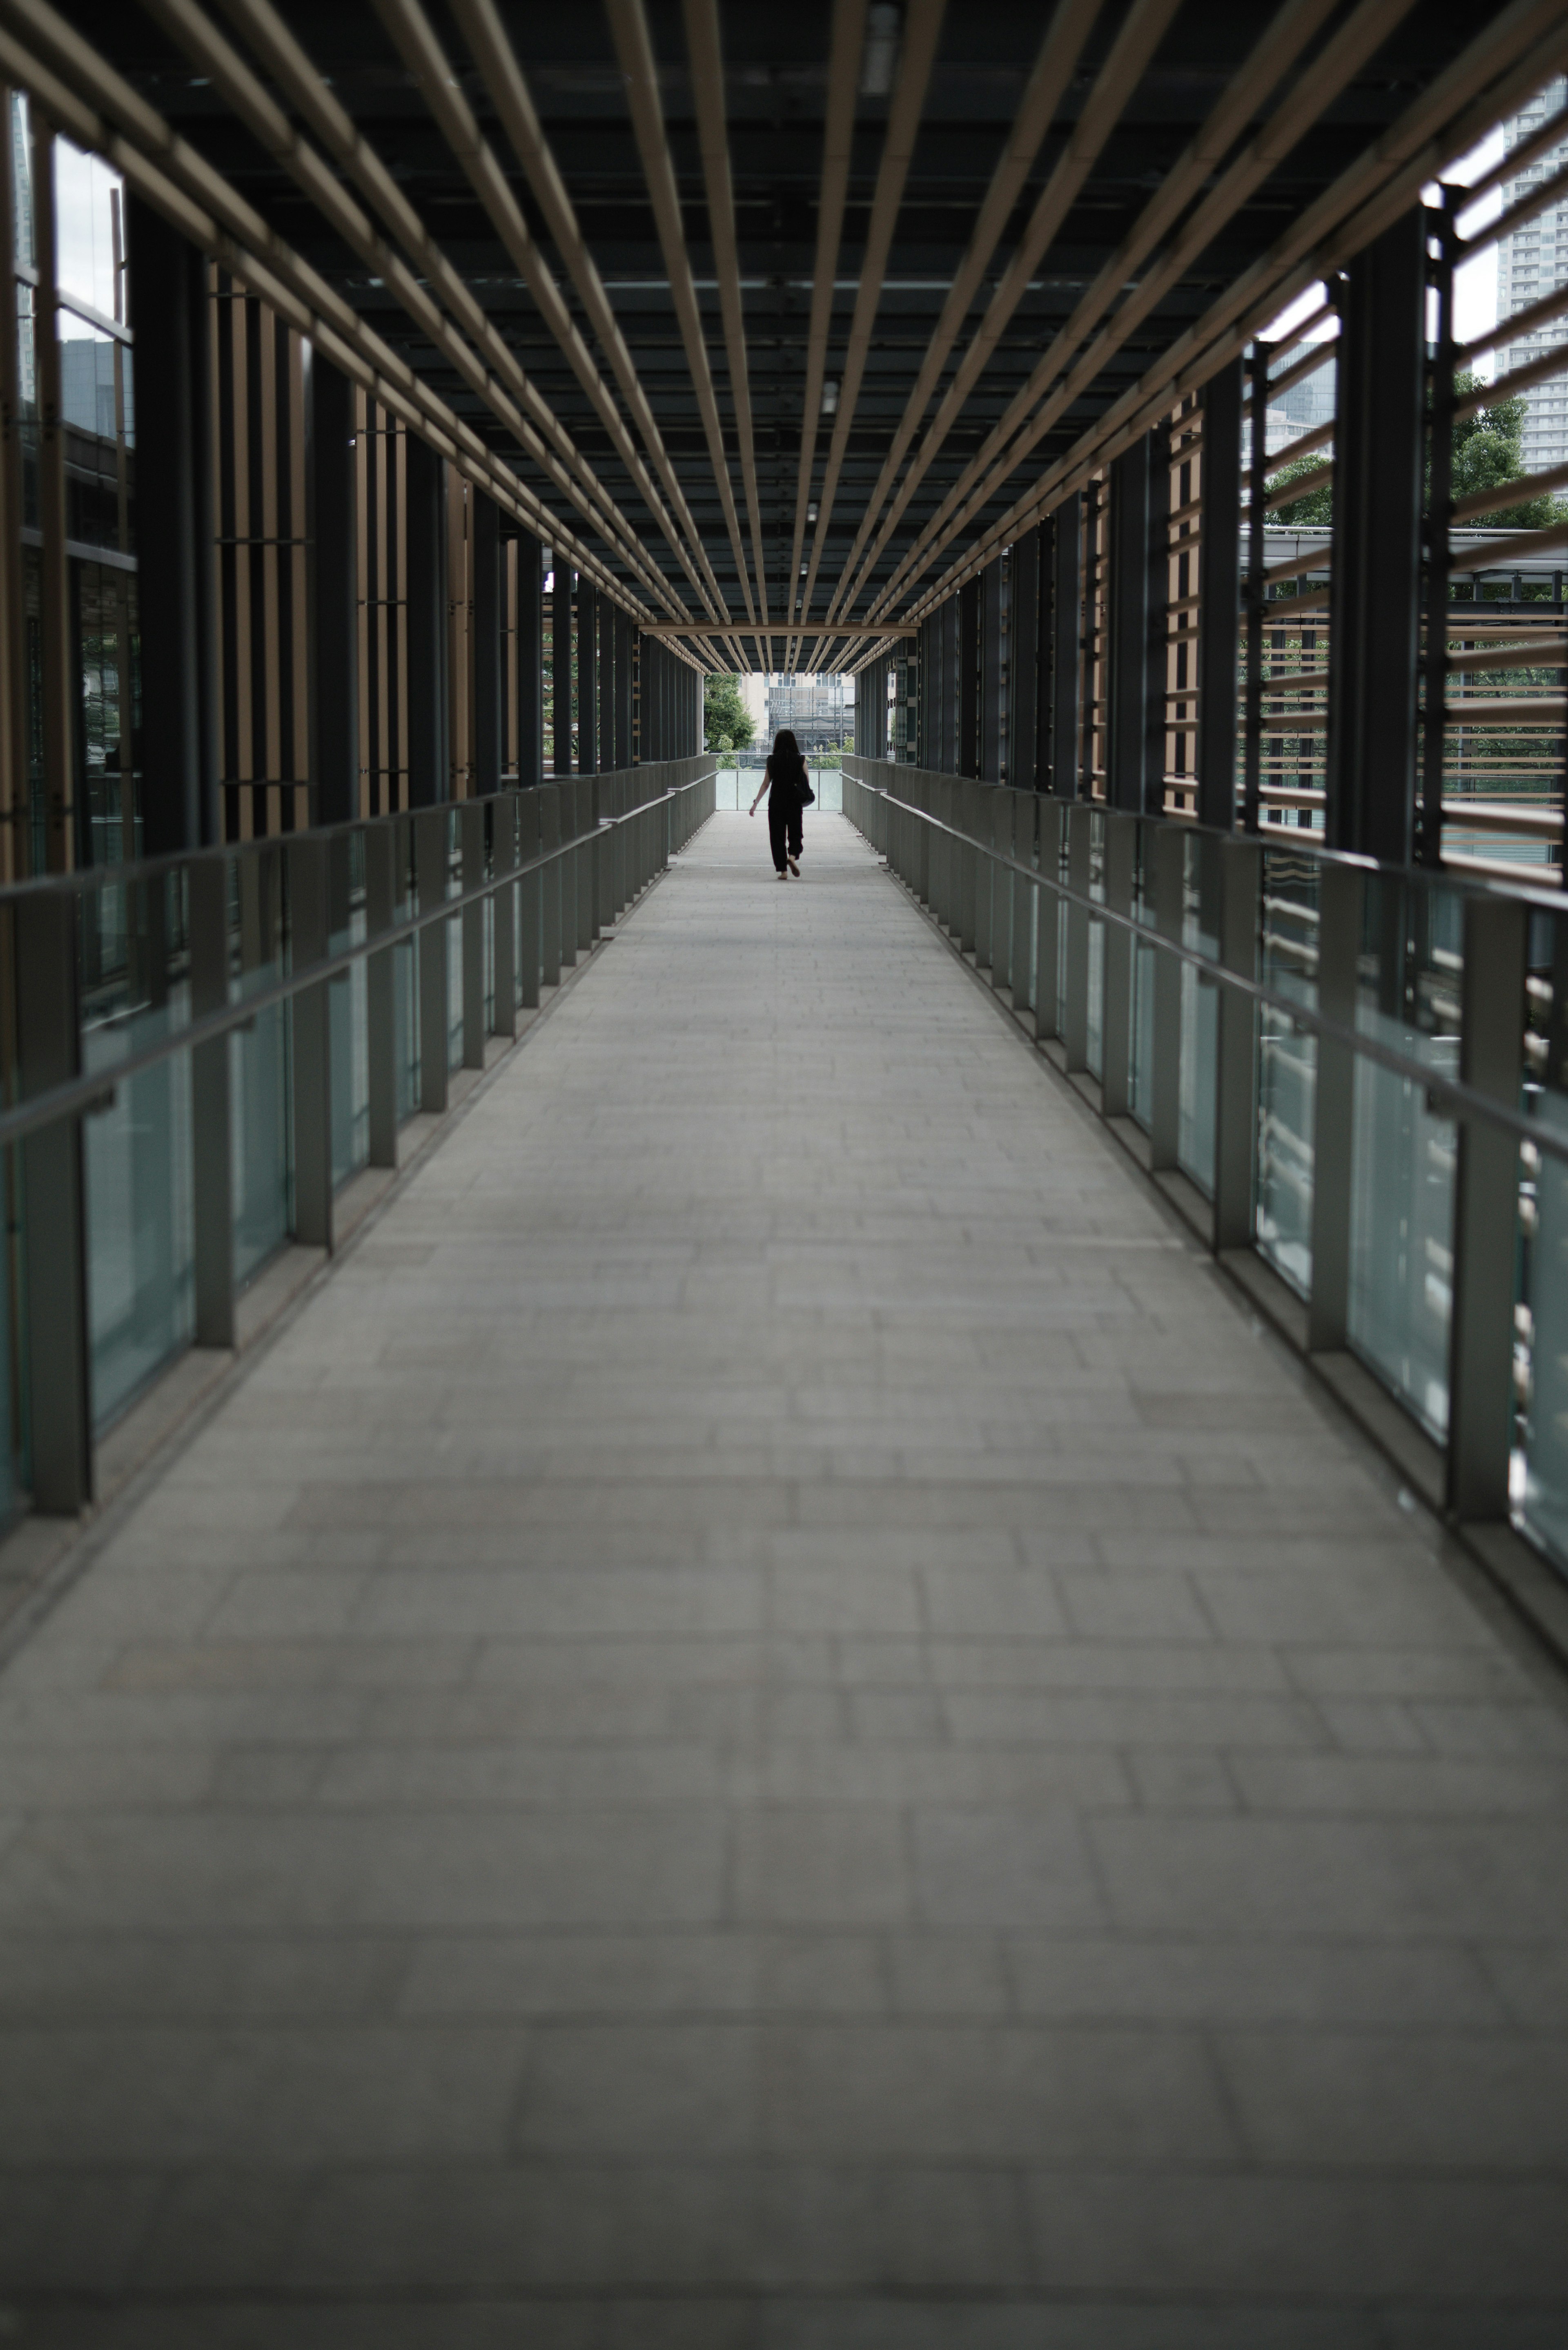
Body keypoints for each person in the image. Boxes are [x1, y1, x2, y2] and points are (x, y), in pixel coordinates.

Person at [748, 728, 810, 879]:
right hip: (795, 802)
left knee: (777, 837)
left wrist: (756, 803)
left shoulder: (772, 760)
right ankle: (793, 857)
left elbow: (766, 784)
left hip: (776, 803)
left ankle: (783, 871)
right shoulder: (801, 759)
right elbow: (806, 782)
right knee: (796, 833)